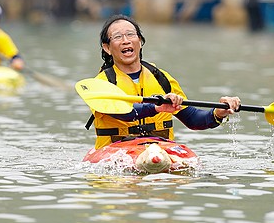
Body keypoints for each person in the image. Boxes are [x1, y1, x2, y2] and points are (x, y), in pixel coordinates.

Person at [87, 14, 241, 150]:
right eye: (117, 37)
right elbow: (124, 112)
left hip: (161, 149)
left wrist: (218, 112)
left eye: (130, 34)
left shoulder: (162, 78)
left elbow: (193, 119)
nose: (126, 41)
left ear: (140, 41)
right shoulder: (101, 84)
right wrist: (156, 107)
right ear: (107, 48)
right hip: (117, 151)